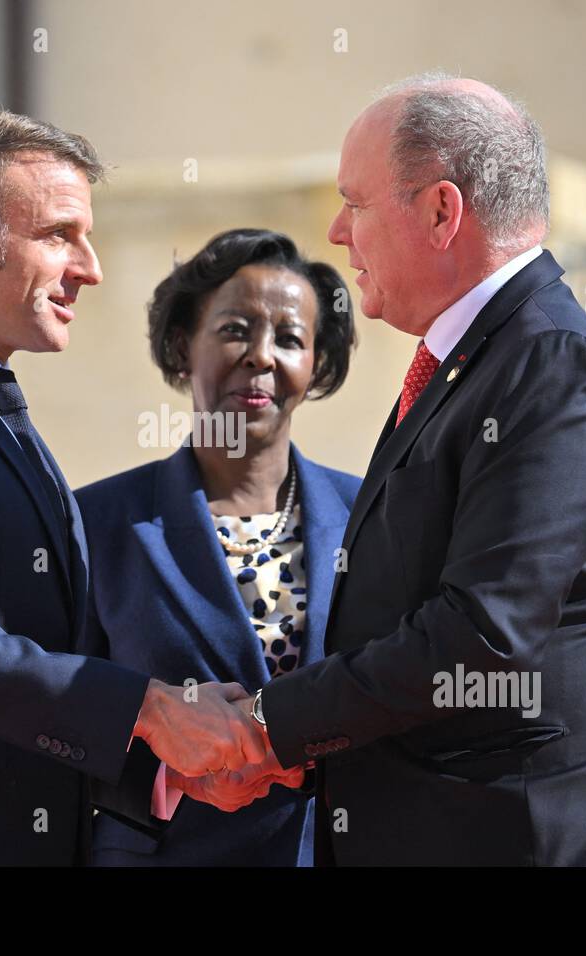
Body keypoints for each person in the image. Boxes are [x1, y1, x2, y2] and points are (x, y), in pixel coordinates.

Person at [247, 73, 586, 865]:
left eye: (355, 203)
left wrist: (265, 725)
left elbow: (483, 633)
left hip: (542, 838)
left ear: (441, 211)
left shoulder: (553, 363)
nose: (337, 232)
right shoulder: (481, 358)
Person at [0, 112, 268, 866]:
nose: (90, 267)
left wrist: (168, 758)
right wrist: (147, 710)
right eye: (58, 234)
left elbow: (42, 660)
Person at [76, 228, 359, 866]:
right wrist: (165, 772)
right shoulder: (100, 522)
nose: (261, 356)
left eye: (290, 339)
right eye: (235, 329)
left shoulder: (372, 515)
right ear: (183, 345)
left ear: (315, 368)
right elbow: (61, 713)